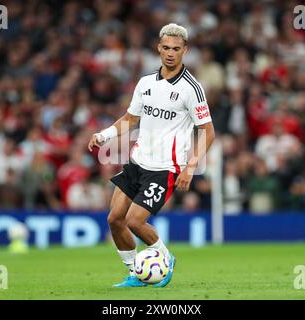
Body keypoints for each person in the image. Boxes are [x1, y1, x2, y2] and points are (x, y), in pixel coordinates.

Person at [88, 23, 215, 288]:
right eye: (166, 48)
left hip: (165, 168)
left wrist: (190, 166)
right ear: (159, 48)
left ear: (185, 50)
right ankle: (135, 272)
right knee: (114, 219)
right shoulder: (145, 83)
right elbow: (130, 119)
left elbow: (208, 131)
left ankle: (166, 259)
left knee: (135, 221)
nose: (170, 53)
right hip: (137, 163)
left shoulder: (191, 88)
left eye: (176, 49)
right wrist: (104, 135)